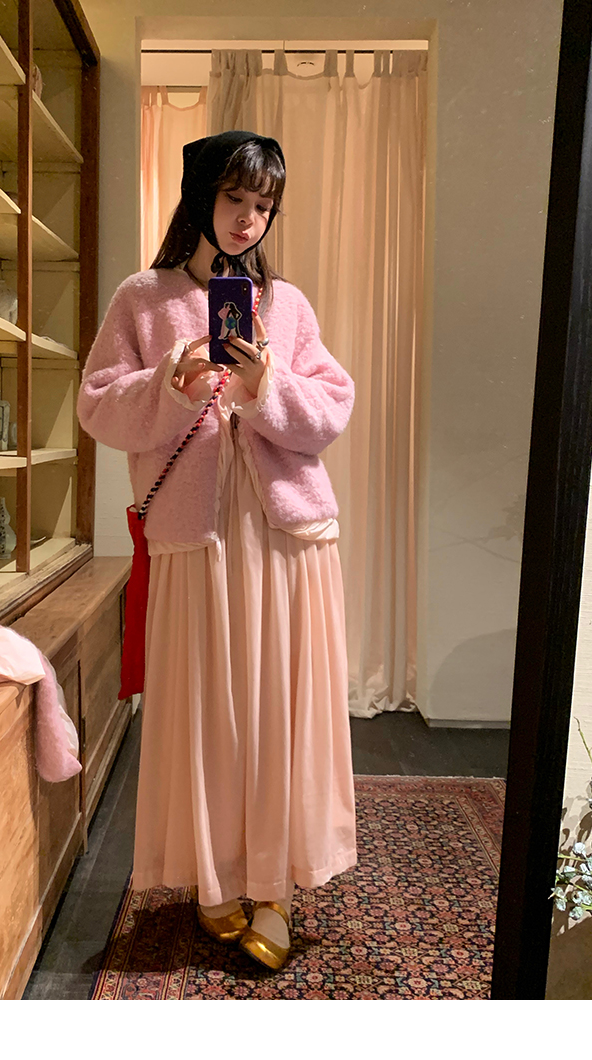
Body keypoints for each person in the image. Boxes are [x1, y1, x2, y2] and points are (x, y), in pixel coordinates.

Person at [77, 130, 357, 971]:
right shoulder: (143, 297)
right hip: (194, 538)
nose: (248, 219)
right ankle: (215, 879)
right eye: (236, 199)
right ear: (202, 195)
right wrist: (172, 380)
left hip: (285, 539)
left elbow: (331, 410)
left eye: (264, 205)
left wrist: (266, 382)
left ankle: (274, 887)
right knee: (206, 713)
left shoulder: (288, 306)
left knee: (278, 716)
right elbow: (97, 405)